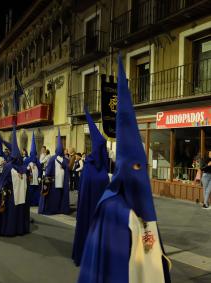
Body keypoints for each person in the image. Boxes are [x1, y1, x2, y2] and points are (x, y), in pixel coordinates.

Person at [78, 56, 171, 283]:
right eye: (135, 167)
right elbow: (114, 266)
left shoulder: (140, 204)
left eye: (142, 167)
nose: (140, 173)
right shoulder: (111, 208)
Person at [72, 108, 110, 266]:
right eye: (102, 148)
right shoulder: (88, 166)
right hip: (88, 210)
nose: (104, 151)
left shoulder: (103, 167)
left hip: (101, 211)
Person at [0, 126, 30, 236]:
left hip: (10, 196)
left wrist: (0, 191)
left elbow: (3, 182)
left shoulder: (8, 167)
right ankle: (20, 228)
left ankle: (7, 229)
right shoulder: (24, 167)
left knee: (10, 213)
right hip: (21, 196)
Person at [38, 129, 70, 215]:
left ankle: (52, 209)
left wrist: (46, 176)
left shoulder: (52, 159)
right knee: (60, 196)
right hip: (63, 183)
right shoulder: (65, 160)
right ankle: (61, 209)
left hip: (53, 182)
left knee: (53, 197)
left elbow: (48, 171)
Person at [26, 132, 42, 206]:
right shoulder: (27, 160)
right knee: (30, 190)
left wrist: (39, 176)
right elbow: (24, 168)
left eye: (34, 153)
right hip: (30, 179)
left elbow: (40, 169)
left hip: (36, 178)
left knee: (36, 190)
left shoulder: (37, 160)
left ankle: (36, 202)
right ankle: (30, 202)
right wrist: (27, 168)